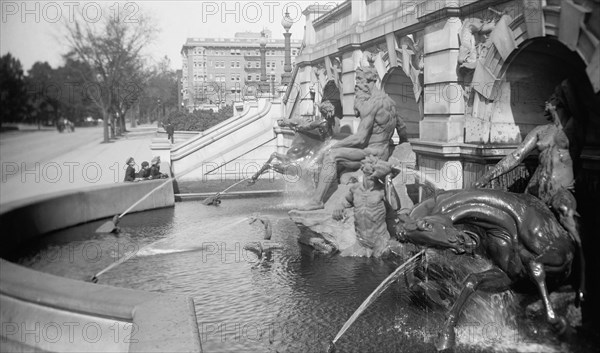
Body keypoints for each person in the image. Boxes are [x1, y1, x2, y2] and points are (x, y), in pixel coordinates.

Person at [474, 80, 585, 303]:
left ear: (559, 102)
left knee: (567, 213)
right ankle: (513, 271)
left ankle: (582, 278)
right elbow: (516, 157)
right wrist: (487, 177)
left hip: (560, 192)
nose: (547, 101)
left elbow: (579, 109)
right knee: (514, 222)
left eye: (552, 98)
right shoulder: (540, 131)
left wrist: (563, 86)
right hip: (534, 192)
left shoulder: (572, 128)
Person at [299, 66, 407, 210]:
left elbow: (359, 139)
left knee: (331, 156)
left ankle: (317, 200)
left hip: (372, 154)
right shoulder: (390, 102)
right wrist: (402, 147)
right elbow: (402, 128)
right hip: (382, 151)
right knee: (340, 158)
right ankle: (335, 187)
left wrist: (332, 146)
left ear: (369, 81)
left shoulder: (372, 104)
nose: (356, 84)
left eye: (359, 79)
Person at [332, 156, 397, 257]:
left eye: (374, 164)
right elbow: (346, 201)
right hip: (361, 243)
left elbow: (396, 206)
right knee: (342, 258)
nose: (371, 166)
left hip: (380, 243)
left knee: (379, 266)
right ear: (362, 168)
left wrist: (388, 179)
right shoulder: (355, 189)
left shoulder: (382, 190)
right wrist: (339, 206)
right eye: (369, 163)